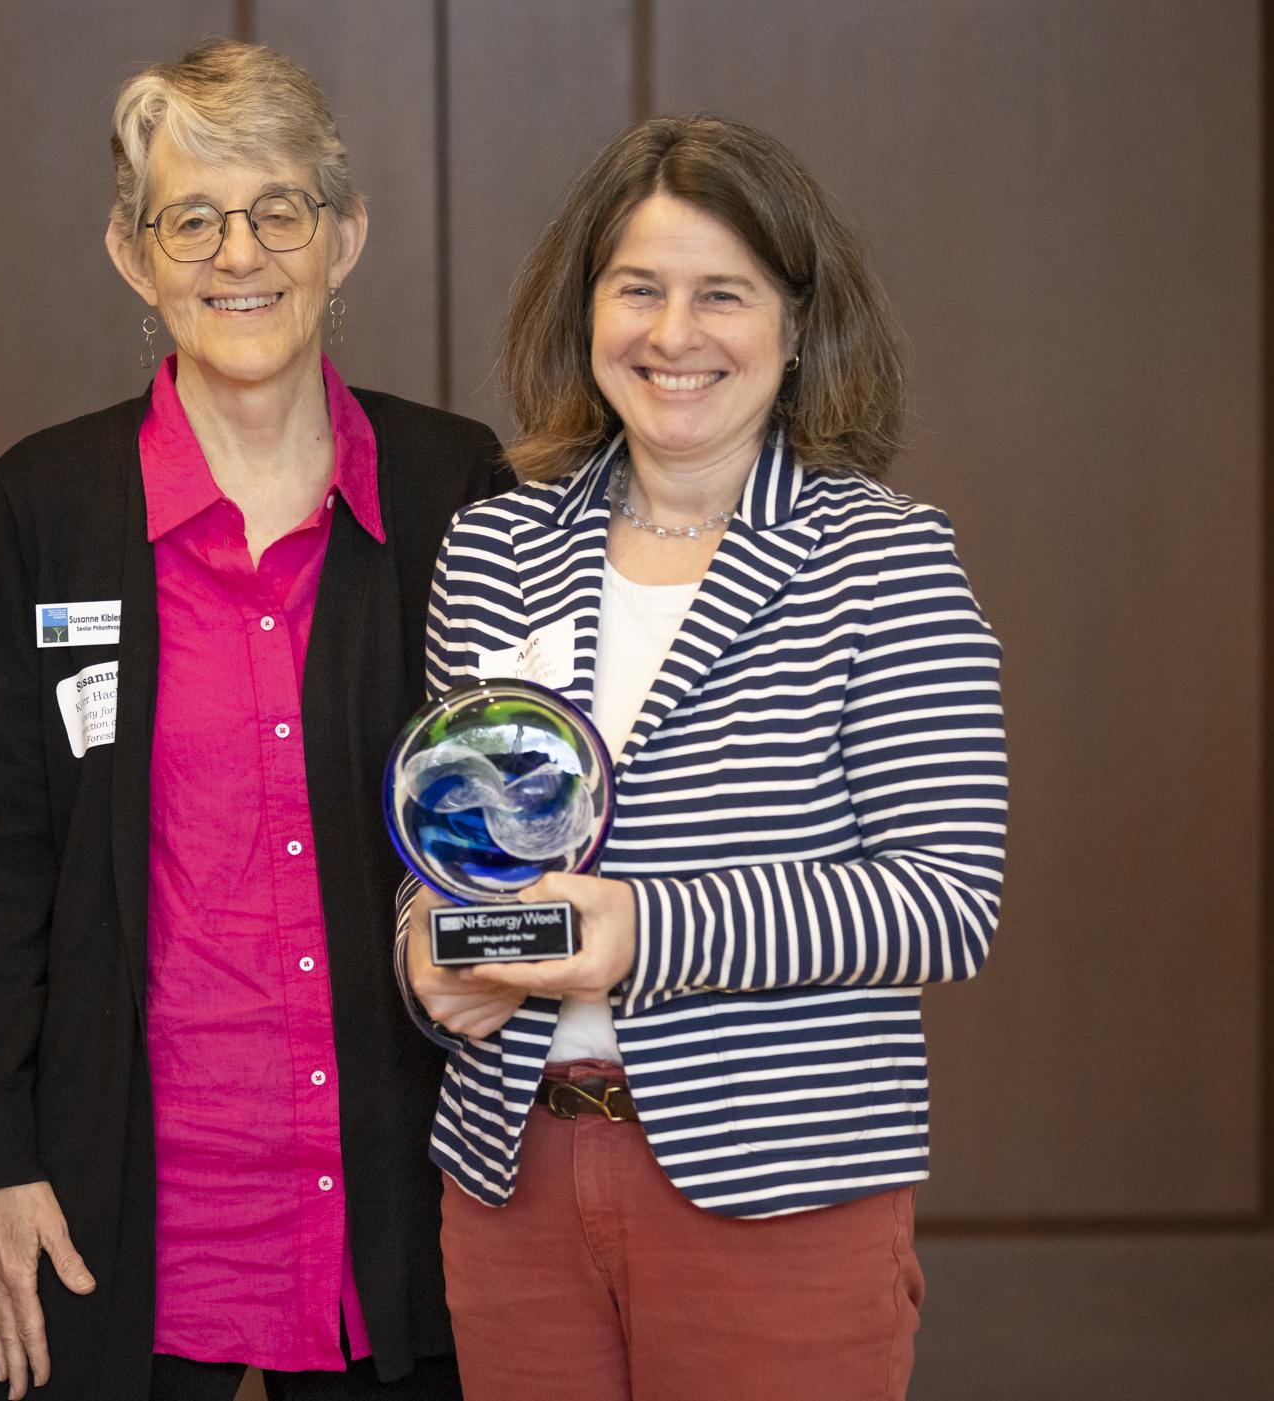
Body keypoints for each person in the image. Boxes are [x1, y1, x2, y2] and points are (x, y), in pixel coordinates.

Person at [0, 39, 499, 1401]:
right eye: (193, 218)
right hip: (117, 1204)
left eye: (280, 208)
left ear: (345, 236)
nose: (242, 253)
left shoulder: (459, 489)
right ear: (133, 252)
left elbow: (526, 817)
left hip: (398, 1206)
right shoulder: (45, 507)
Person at [399, 115, 1007, 1400]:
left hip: (777, 1189)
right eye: (639, 290)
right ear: (589, 312)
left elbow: (947, 897)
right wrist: (427, 955)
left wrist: (640, 933)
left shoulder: (883, 560)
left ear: (796, 323)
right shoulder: (495, 548)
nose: (674, 336)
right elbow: (455, 838)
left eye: (720, 294)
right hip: (513, 1186)